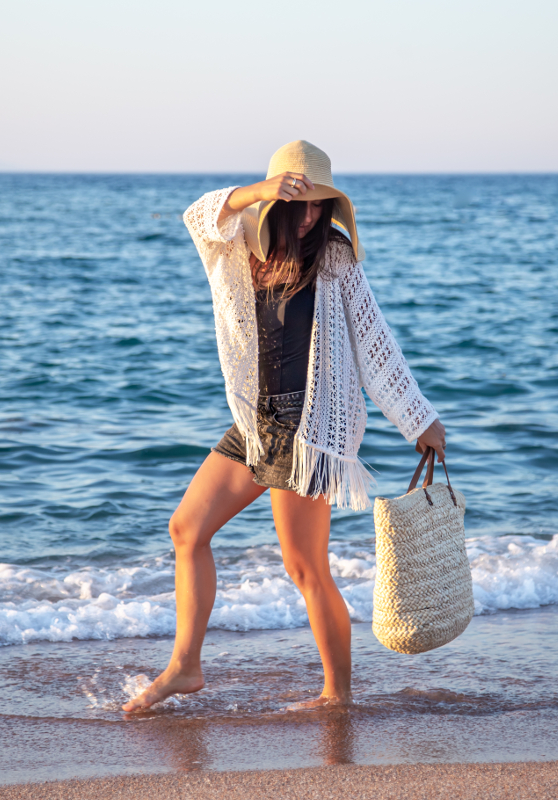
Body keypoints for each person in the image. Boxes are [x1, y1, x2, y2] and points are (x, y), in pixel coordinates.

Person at [123, 140, 446, 712]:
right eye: (296, 198)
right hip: (256, 422)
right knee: (187, 530)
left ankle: (338, 695)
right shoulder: (242, 244)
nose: (308, 212)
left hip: (308, 430)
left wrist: (420, 419)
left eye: (318, 201)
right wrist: (259, 190)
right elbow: (199, 215)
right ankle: (186, 666)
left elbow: (376, 345)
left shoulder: (337, 259)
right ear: (274, 199)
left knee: (306, 568)